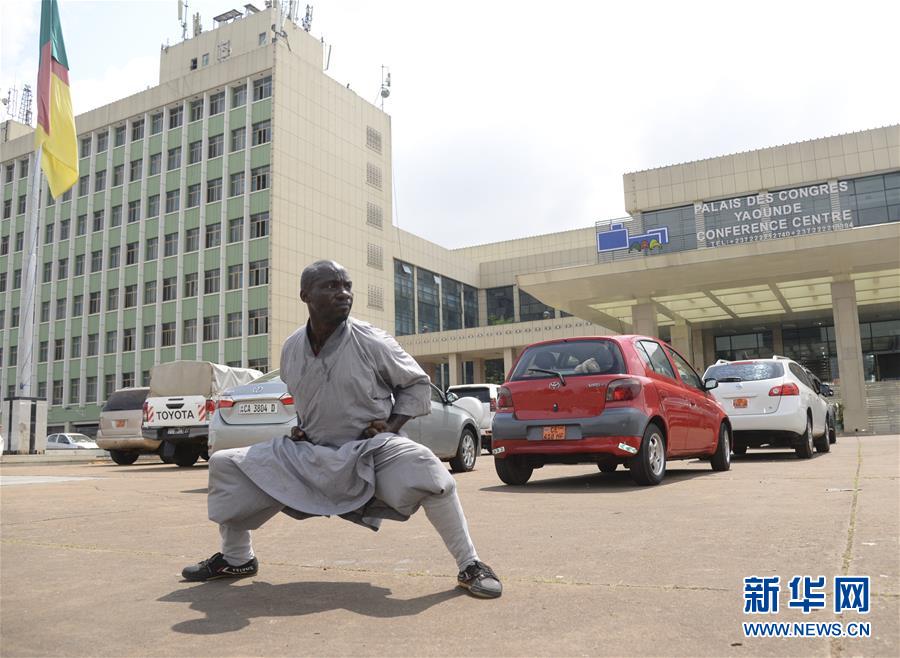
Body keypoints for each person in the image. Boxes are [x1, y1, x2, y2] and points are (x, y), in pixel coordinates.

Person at [181, 260, 501, 599]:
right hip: (311, 452)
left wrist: (390, 426)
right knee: (227, 464)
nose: (344, 294)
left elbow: (417, 386)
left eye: (347, 286)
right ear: (305, 294)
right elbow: (307, 395)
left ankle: (471, 564)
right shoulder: (291, 347)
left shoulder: (373, 340)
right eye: (331, 286)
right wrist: (300, 428)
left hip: (371, 450)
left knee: (428, 470)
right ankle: (237, 558)